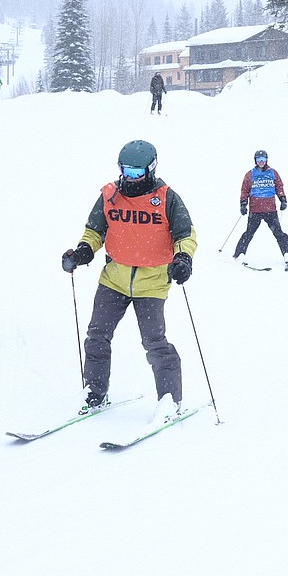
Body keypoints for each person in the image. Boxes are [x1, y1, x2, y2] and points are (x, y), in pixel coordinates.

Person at [61, 139, 197, 421]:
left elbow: (185, 235)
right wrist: (84, 251)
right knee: (97, 337)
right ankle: (95, 392)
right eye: (126, 171)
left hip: (152, 283)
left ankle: (170, 400)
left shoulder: (167, 197)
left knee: (154, 342)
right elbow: (94, 230)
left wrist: (183, 259)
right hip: (114, 280)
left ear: (151, 169)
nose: (130, 178)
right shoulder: (110, 195)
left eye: (137, 173)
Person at [232, 149, 288, 271]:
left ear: (266, 160)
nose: (261, 162)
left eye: (263, 160)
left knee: (279, 234)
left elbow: (279, 187)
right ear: (255, 160)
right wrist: (243, 204)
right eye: (259, 160)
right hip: (255, 210)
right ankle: (238, 255)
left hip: (270, 210)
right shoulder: (250, 174)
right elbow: (245, 190)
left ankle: (287, 255)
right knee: (248, 233)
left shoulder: (273, 173)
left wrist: (283, 200)